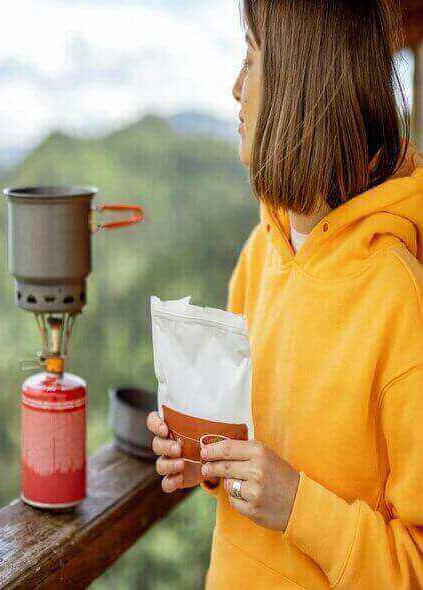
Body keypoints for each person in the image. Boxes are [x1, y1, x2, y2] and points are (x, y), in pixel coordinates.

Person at [146, 1, 423, 588]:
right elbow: (251, 462)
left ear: (303, 84)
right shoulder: (261, 251)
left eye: (252, 59)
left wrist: (299, 507)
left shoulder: (399, 298)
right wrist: (202, 459)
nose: (235, 88)